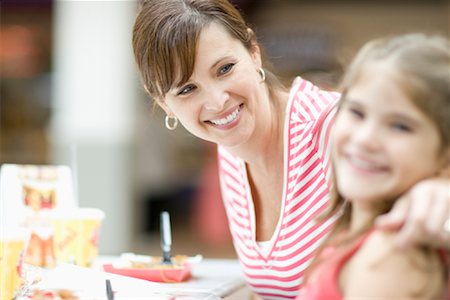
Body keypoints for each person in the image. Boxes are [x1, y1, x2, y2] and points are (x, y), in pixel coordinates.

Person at [131, 1, 450, 298]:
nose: (217, 101)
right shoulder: (231, 149)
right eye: (187, 89)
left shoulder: (337, 128)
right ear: (164, 104)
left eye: (225, 68)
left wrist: (441, 186)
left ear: (253, 52)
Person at [297, 33, 449, 300]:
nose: (365, 139)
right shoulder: (356, 234)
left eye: (400, 126)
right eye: (357, 112)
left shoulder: (392, 252)